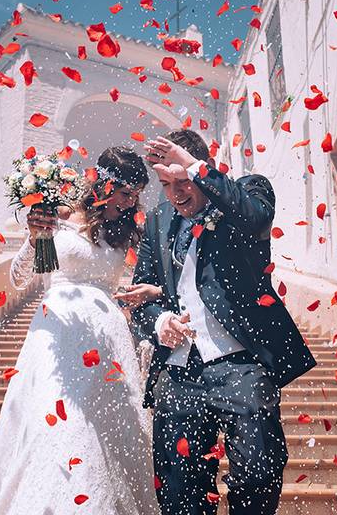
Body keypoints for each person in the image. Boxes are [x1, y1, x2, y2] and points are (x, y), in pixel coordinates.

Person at [116, 130, 317, 515]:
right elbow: (143, 295)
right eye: (166, 184)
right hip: (178, 376)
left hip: (240, 365)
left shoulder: (247, 193)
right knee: (178, 491)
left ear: (201, 168)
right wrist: (159, 321)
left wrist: (195, 167)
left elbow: (256, 216)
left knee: (260, 473)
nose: (175, 194)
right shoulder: (158, 221)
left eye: (183, 181)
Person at [0, 146, 160, 515]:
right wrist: (36, 238)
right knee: (63, 420)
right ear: (103, 183)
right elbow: (24, 278)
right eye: (126, 193)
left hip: (109, 335)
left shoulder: (125, 231)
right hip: (60, 331)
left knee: (112, 429)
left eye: (135, 196)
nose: (130, 203)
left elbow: (128, 278)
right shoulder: (60, 216)